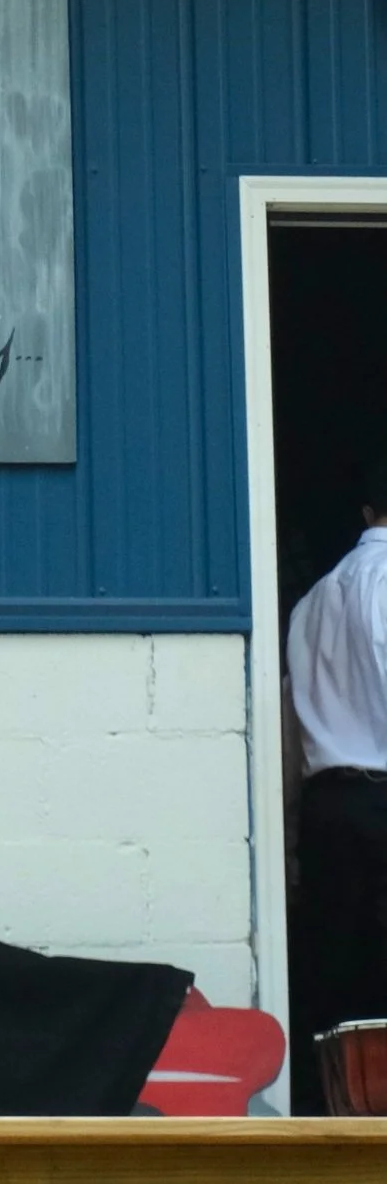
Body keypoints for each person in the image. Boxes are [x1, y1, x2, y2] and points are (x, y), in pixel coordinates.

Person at [286, 454, 387, 1113]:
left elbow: (290, 715)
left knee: (335, 986)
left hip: (326, 807)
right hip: (381, 799)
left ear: (365, 512)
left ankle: (335, 1121)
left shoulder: (313, 599)